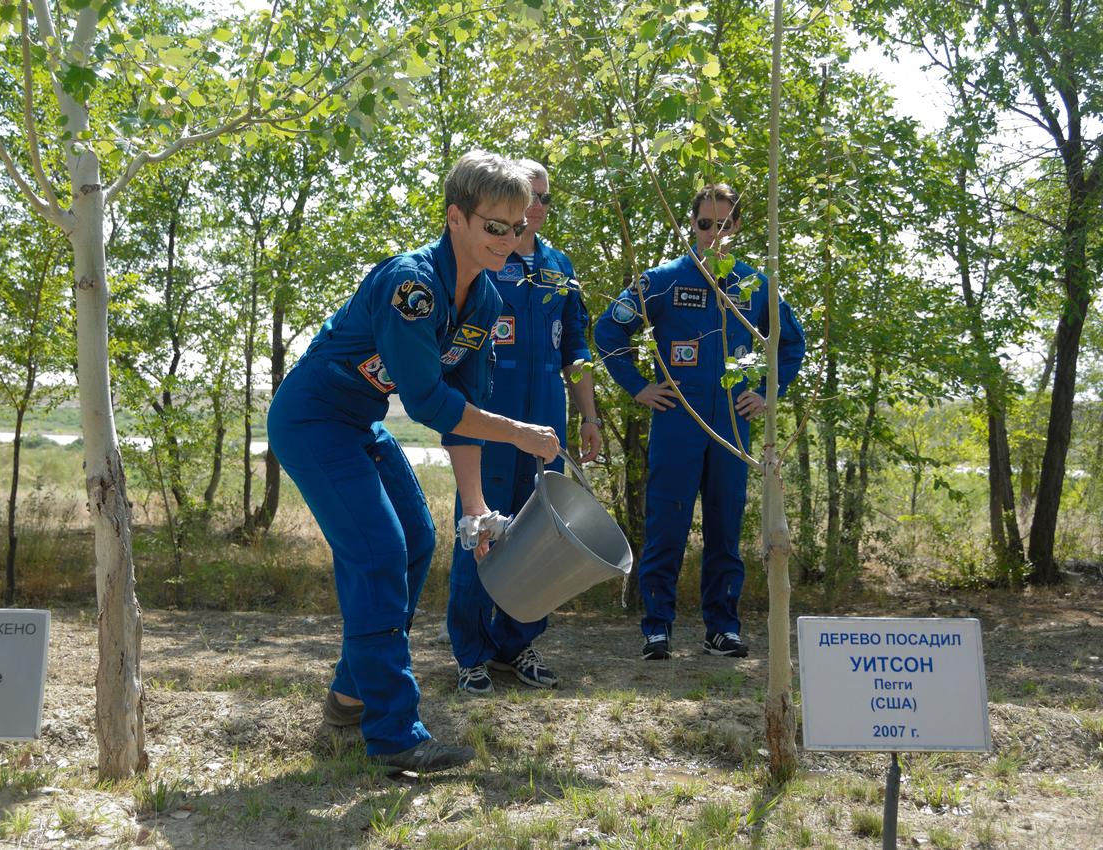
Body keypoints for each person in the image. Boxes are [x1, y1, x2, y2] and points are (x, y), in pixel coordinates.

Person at [266, 150, 561, 774]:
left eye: (518, 226)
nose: (510, 240)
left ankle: (350, 698)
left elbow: (467, 401)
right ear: (457, 218)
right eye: (495, 227)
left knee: (419, 540)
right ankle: (395, 732)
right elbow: (430, 402)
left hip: (360, 422)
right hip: (313, 419)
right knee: (377, 553)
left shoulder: (483, 299)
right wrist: (519, 435)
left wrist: (478, 511)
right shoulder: (412, 286)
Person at [593, 182, 805, 661]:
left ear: (737, 227)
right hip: (677, 421)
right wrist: (637, 385)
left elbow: (791, 344)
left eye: (723, 225)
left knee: (725, 530)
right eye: (704, 224)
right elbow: (608, 329)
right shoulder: (664, 280)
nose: (713, 233)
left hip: (732, 424)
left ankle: (721, 628)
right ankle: (657, 628)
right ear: (691, 224)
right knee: (666, 526)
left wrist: (768, 394)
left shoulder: (756, 285)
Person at [445, 159, 602, 696]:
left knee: (542, 537)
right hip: (489, 418)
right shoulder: (484, 258)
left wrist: (590, 415)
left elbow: (575, 348)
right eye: (527, 195)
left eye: (544, 198)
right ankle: (471, 653)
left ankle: (520, 643)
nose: (534, 207)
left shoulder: (560, 266)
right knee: (482, 529)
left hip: (546, 424)